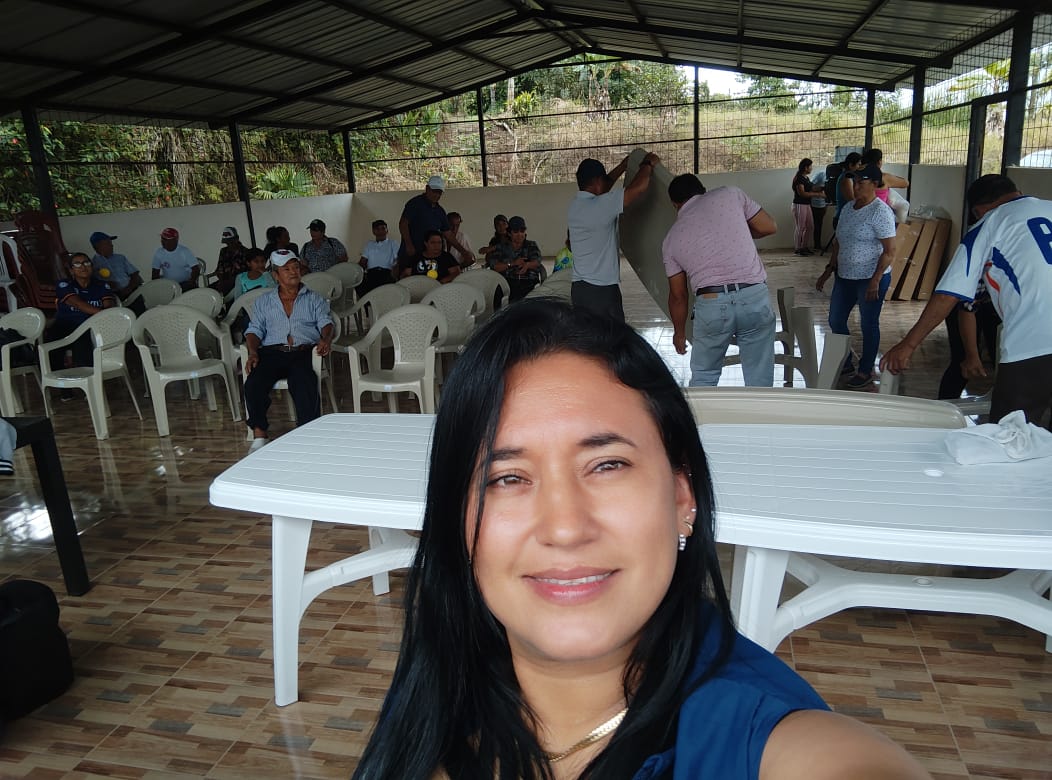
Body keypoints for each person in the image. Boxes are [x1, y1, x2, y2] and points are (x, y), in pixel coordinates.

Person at [352, 298, 932, 780]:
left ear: (682, 497)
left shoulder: (765, 745)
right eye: (507, 478)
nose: (564, 527)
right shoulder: (444, 680)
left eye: (607, 465)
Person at [882, 174, 1052, 426]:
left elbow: (949, 295)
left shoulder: (990, 224)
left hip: (1035, 342)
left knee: (1012, 434)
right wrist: (972, 354)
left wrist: (907, 346)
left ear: (978, 211)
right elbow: (968, 307)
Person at [663, 173, 778, 387]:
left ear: (675, 204)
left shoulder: (671, 239)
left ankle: (701, 410)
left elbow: (678, 296)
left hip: (711, 304)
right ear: (703, 190)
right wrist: (736, 231)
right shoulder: (730, 194)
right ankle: (760, 407)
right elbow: (769, 226)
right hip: (753, 296)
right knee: (759, 378)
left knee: (704, 376)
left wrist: (679, 333)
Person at [243, 249, 334, 451]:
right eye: (287, 269)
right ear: (275, 275)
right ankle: (259, 434)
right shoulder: (264, 301)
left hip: (302, 352)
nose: (293, 272)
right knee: (254, 383)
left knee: (304, 381)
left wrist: (325, 339)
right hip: (272, 353)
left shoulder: (314, 299)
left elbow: (326, 323)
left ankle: (307, 432)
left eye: (296, 267)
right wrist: (253, 352)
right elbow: (254, 330)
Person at [816, 164, 896, 390]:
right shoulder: (848, 208)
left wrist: (876, 280)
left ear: (875, 184)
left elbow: (890, 251)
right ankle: (846, 362)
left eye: (861, 182)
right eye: (855, 181)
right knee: (836, 320)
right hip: (845, 276)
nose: (856, 186)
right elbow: (838, 242)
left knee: (868, 323)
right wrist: (829, 269)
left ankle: (865, 369)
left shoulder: (880, 212)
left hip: (869, 278)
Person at [568, 152, 658, 321]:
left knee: (588, 334)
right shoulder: (601, 206)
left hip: (580, 290)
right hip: (601, 291)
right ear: (597, 181)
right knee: (613, 335)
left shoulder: (576, 206)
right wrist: (648, 164)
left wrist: (623, 166)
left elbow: (602, 188)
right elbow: (638, 188)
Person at [48, 252, 117, 372]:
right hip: (66, 324)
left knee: (84, 345)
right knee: (50, 343)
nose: (83, 267)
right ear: (71, 270)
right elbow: (78, 304)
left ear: (92, 267)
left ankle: (88, 378)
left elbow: (108, 306)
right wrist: (103, 315)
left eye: (86, 263)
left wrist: (105, 315)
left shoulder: (101, 285)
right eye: (77, 264)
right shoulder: (64, 285)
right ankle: (57, 379)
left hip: (90, 326)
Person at [397, 175, 470, 263]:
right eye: (434, 191)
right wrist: (409, 245)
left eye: (440, 192)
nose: (437, 195)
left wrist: (463, 252)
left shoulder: (440, 211)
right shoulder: (415, 203)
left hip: (429, 256)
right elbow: (403, 224)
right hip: (412, 253)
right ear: (427, 188)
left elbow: (448, 234)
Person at [487, 215, 542, 301]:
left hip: (528, 282)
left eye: (522, 231)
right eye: (516, 231)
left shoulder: (531, 245)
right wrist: (512, 263)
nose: (520, 234)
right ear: (509, 233)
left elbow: (537, 261)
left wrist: (527, 265)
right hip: (507, 282)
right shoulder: (501, 247)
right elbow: (494, 266)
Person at [89, 231, 142, 304]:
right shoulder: (92, 264)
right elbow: (92, 283)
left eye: (111, 243)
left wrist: (129, 288)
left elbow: (134, 273)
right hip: (112, 296)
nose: (112, 245)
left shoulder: (120, 258)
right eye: (108, 243)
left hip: (131, 290)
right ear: (97, 246)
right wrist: (105, 284)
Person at [791, 158, 823, 256]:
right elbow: (802, 193)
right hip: (799, 204)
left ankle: (804, 247)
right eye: (810, 166)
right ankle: (798, 248)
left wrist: (823, 188)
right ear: (806, 167)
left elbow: (812, 188)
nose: (811, 168)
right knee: (800, 226)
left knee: (810, 226)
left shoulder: (806, 178)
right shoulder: (799, 178)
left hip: (806, 204)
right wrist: (818, 195)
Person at [358, 219, 399, 294]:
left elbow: (397, 260)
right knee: (359, 283)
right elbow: (363, 262)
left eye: (383, 228)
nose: (381, 231)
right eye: (378, 229)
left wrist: (394, 271)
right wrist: (360, 272)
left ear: (387, 230)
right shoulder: (369, 244)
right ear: (373, 231)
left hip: (386, 274)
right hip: (371, 275)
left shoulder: (392, 243)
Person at [212, 226, 249, 296]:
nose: (229, 244)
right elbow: (220, 269)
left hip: (241, 282)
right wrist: (221, 281)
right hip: (224, 281)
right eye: (227, 242)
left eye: (231, 241)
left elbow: (246, 272)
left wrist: (231, 281)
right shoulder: (223, 251)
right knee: (209, 292)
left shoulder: (245, 252)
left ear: (237, 239)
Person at [833, 152, 864, 225]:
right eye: (858, 164)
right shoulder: (847, 179)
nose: (860, 167)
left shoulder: (850, 178)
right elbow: (852, 201)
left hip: (845, 217)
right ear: (851, 165)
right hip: (842, 218)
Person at [809, 168, 828, 252]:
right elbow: (809, 187)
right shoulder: (821, 174)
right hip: (815, 203)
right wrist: (822, 189)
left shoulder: (834, 176)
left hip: (824, 204)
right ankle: (816, 246)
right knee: (816, 226)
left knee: (819, 225)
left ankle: (818, 246)